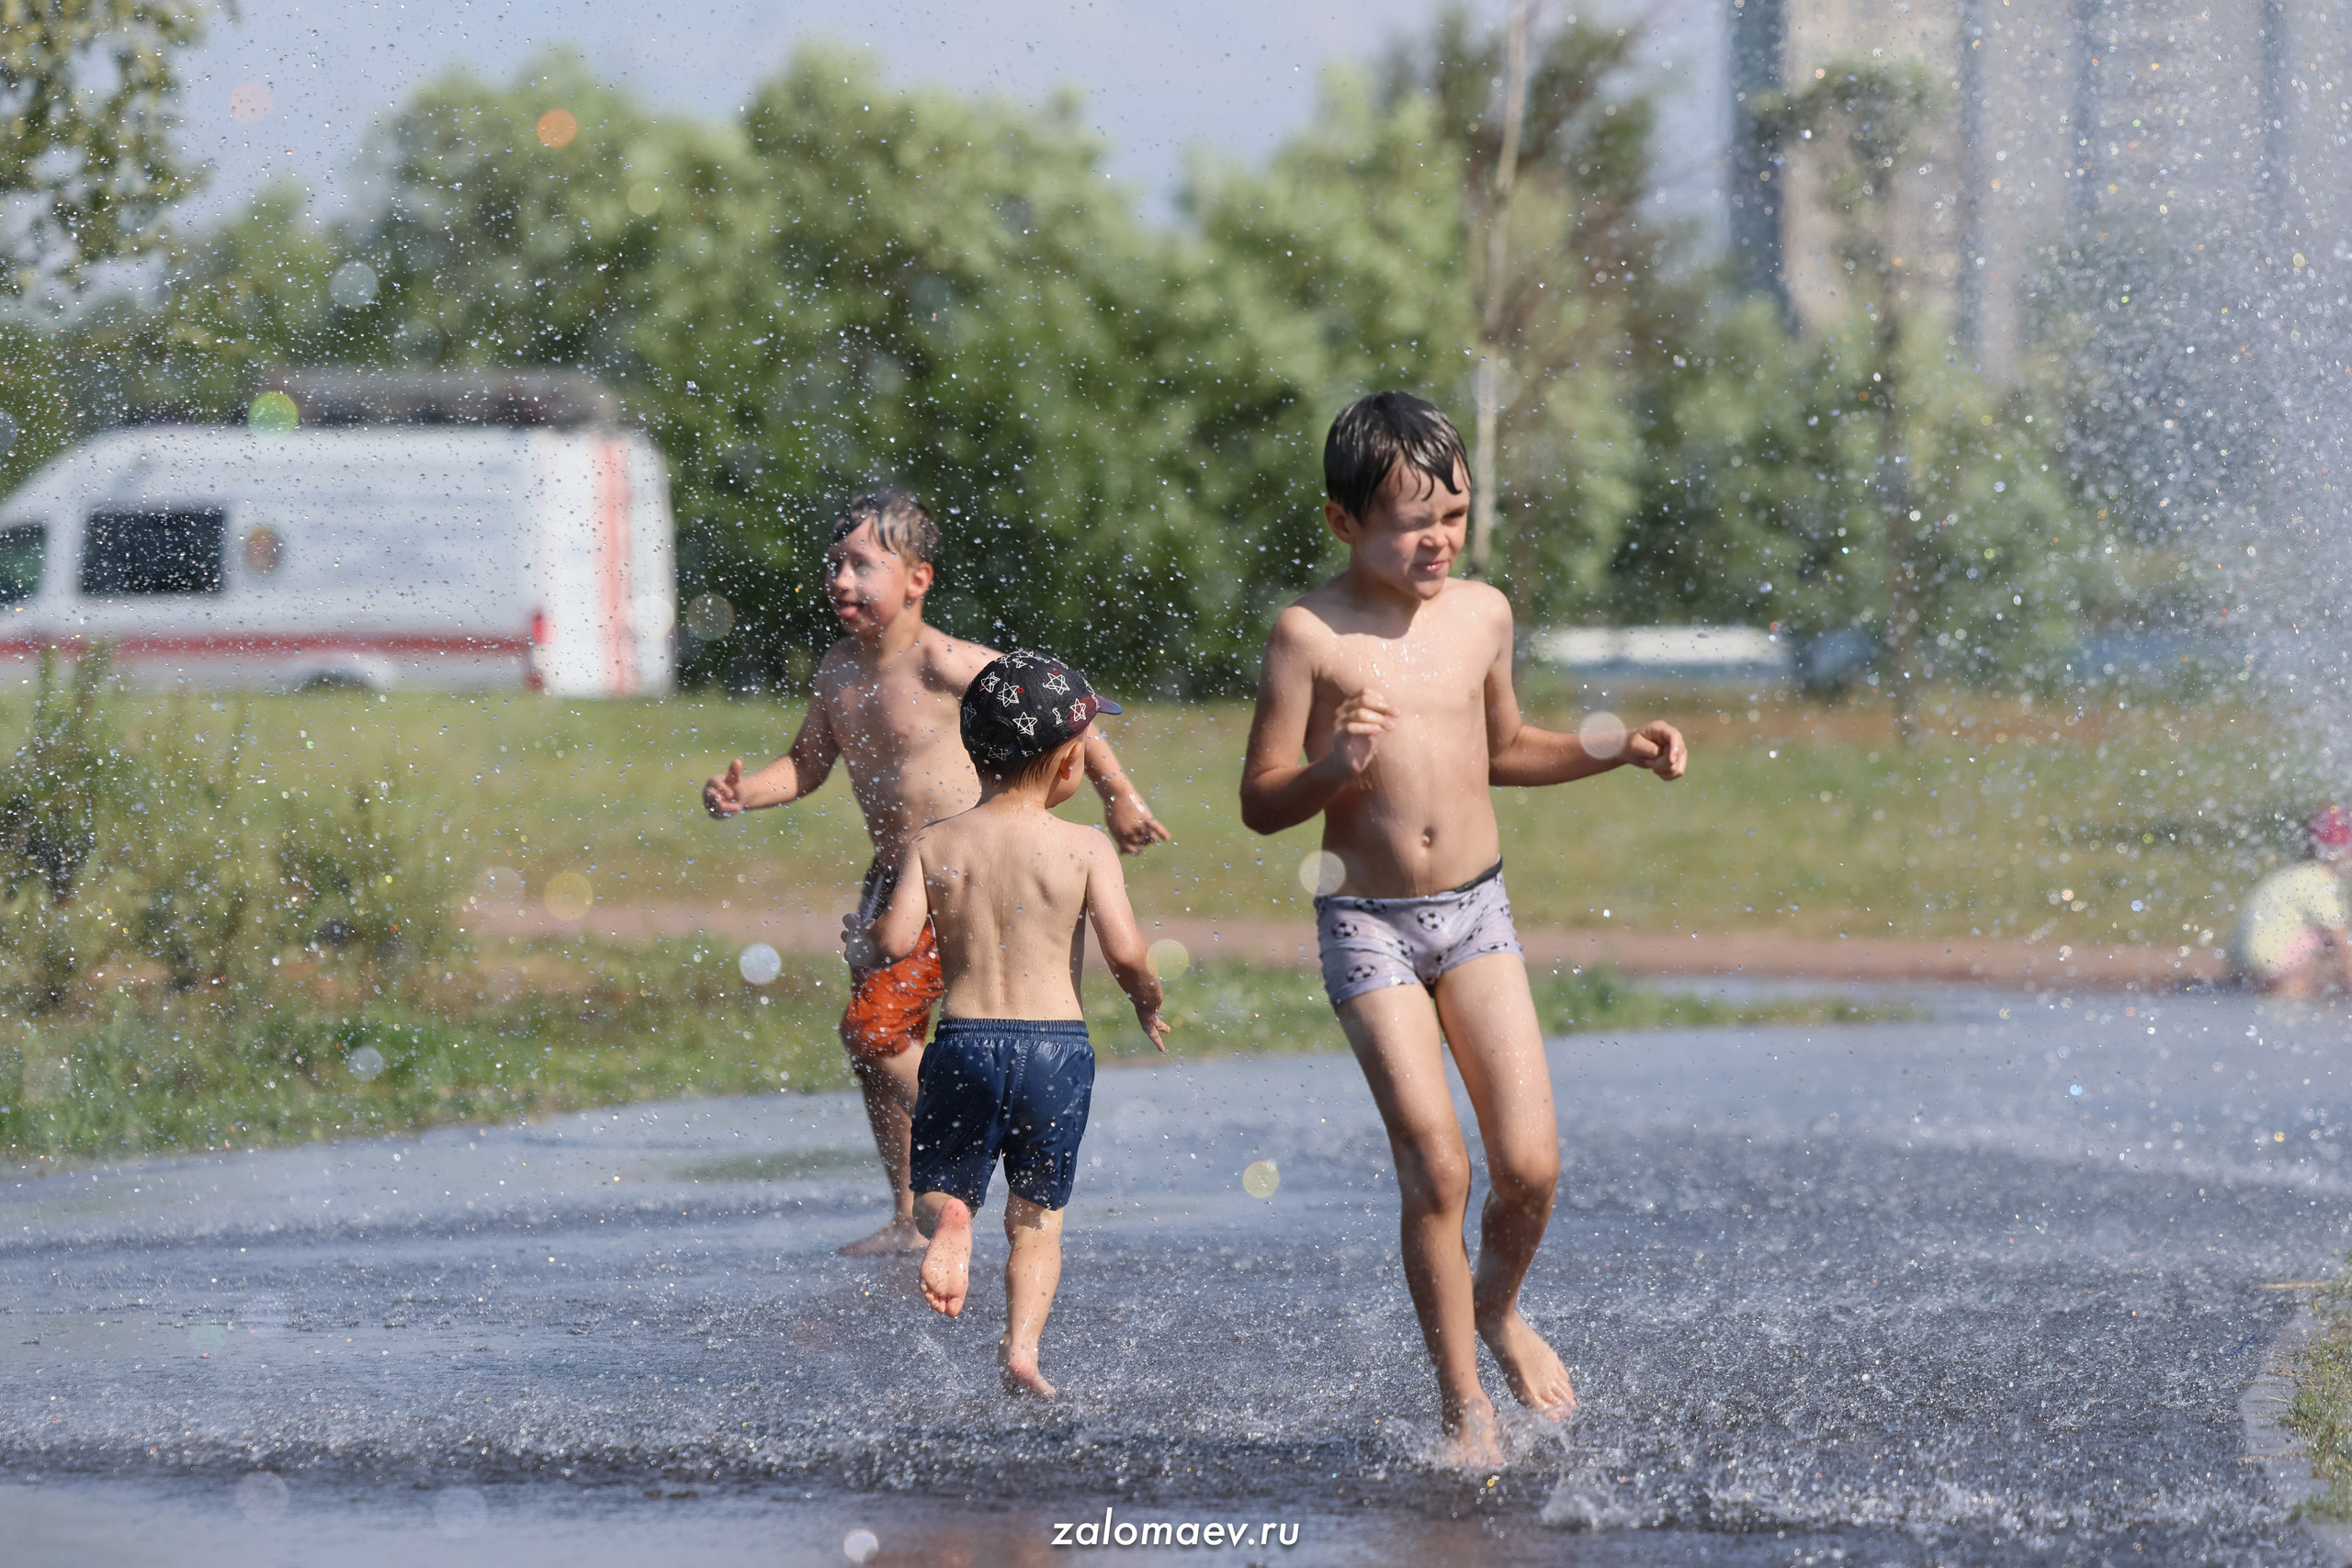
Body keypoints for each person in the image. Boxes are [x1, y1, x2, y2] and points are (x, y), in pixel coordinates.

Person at [1238, 392, 1688, 1468]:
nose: (1437, 539)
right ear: (1344, 523)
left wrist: (1613, 746)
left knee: (1529, 1167)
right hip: (1369, 927)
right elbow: (1260, 800)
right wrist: (1330, 770)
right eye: (1409, 521)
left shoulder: (1481, 614)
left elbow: (1505, 747)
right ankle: (1462, 1408)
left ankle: (1496, 1308)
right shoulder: (1309, 634)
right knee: (1437, 1167)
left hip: (1477, 912)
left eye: (1454, 513)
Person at [701, 491, 1169, 1256]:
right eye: (835, 564)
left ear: (917, 579)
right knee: (874, 1049)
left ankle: (984, 1120)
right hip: (895, 878)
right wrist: (744, 792)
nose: (842, 580)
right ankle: (909, 1211)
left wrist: (1120, 797)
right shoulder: (837, 673)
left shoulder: (946, 662)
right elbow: (808, 764)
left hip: (962, 876)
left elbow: (1066, 709)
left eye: (863, 564)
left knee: (876, 1033)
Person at [865, 649, 1170, 1397]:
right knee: (1038, 1217)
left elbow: (896, 941)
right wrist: (1147, 1000)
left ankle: (952, 1223)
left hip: (965, 1039)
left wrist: (860, 938)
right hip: (1055, 1052)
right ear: (1070, 762)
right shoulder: (1085, 846)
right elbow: (1129, 953)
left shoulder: (935, 841)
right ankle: (1022, 1349)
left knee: (939, 1183)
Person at [2227, 804, 2352, 997]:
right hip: (2274, 959)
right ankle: (2292, 991)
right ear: (2343, 850)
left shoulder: (2293, 874)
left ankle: (2276, 988)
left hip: (2241, 961)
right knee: (2327, 941)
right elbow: (2342, 941)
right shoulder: (2321, 879)